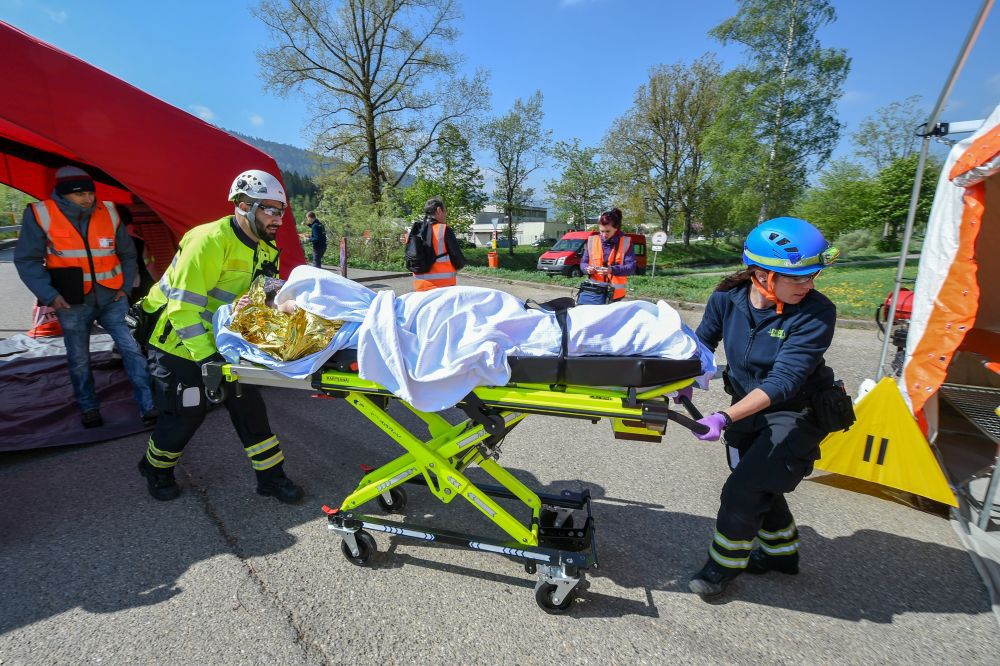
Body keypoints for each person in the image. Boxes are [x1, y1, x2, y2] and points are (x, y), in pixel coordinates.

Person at [685, 217, 842, 600]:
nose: (808, 285)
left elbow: (783, 382)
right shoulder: (727, 298)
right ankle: (782, 554)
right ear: (761, 273)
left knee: (742, 489)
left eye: (811, 276)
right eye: (799, 278)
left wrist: (724, 417)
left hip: (797, 411)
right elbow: (702, 343)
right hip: (747, 405)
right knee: (757, 479)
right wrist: (682, 381)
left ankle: (721, 568)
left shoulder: (817, 312)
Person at [137, 169, 303, 504]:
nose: (278, 219)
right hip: (179, 345)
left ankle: (272, 479)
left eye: (281, 211)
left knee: (250, 409)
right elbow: (183, 309)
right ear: (243, 205)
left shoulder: (266, 249)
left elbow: (263, 294)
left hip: (225, 344)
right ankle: (155, 469)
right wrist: (208, 360)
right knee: (186, 415)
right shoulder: (208, 240)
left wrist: (283, 302)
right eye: (270, 209)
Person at [13, 165, 156, 429]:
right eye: (79, 194)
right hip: (71, 303)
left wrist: (124, 288)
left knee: (132, 350)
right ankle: (88, 408)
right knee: (79, 358)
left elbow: (127, 253)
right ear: (63, 194)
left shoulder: (110, 212)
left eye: (90, 193)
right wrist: (49, 295)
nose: (88, 199)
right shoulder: (41, 214)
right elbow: (27, 259)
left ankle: (149, 407)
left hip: (113, 298)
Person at [578, 208, 636, 304]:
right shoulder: (592, 240)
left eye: (607, 231)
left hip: (615, 295)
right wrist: (586, 268)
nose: (604, 235)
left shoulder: (626, 242)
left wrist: (612, 270)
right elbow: (583, 262)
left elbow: (631, 268)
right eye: (601, 231)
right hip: (594, 292)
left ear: (616, 228)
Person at [411, 197, 466, 291]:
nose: (446, 214)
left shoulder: (416, 230)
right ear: (439, 210)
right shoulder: (444, 230)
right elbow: (458, 259)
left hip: (420, 287)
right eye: (445, 211)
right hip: (443, 287)